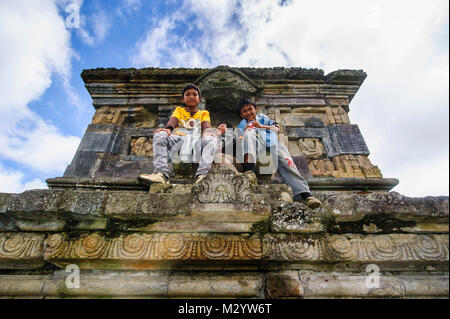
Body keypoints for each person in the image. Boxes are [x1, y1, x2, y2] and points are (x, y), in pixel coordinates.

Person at [237, 98, 322, 209]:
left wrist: (262, 126)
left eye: (250, 109)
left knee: (287, 162)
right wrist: (245, 130)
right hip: (257, 150)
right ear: (241, 114)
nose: (248, 113)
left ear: (255, 109)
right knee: (248, 134)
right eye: (244, 111)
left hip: (272, 144)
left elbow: (276, 129)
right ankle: (250, 171)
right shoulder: (241, 125)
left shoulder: (263, 118)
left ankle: (306, 195)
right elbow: (240, 140)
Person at [138, 83, 217, 185]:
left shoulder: (204, 113)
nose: (191, 96)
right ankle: (161, 174)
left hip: (196, 141)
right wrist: (167, 129)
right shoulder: (179, 110)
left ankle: (202, 176)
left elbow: (206, 124)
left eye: (194, 94)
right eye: (188, 94)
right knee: (159, 134)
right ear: (183, 99)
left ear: (199, 99)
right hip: (179, 139)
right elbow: (173, 120)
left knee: (211, 139)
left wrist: (208, 132)